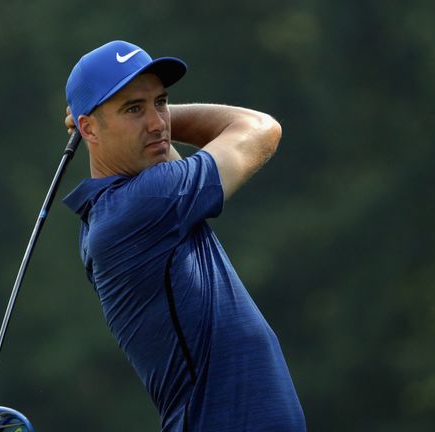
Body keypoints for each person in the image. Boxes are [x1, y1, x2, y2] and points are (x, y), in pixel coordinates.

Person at [62, 40, 305, 431]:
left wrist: (133, 114)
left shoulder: (124, 205)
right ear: (87, 128)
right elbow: (260, 129)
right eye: (133, 109)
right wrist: (152, 115)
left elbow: (162, 145)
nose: (158, 122)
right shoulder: (147, 202)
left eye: (161, 101)